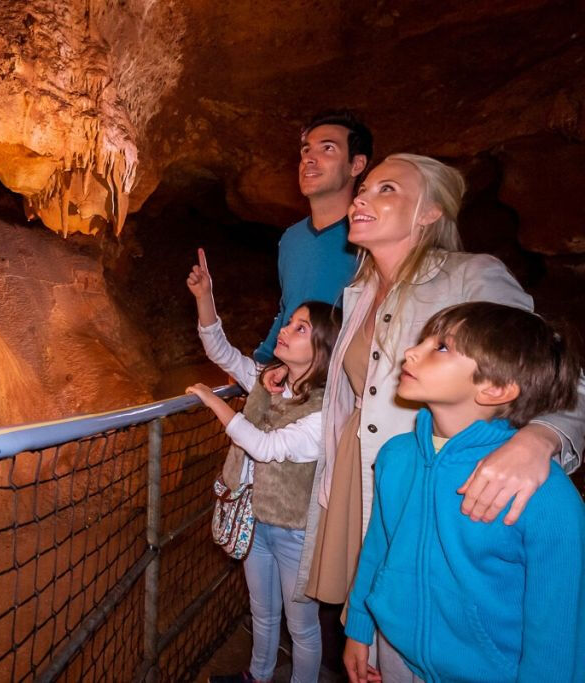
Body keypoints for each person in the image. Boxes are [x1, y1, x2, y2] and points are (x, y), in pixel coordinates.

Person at [292, 154, 584, 624]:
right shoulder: (359, 291)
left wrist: (541, 438)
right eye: (363, 188)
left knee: (416, 624)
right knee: (366, 625)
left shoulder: (471, 276)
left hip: (434, 484)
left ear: (430, 213)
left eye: (387, 189)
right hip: (361, 471)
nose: (362, 196)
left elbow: (552, 364)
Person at [342, 302, 585, 683]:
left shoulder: (547, 498)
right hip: (395, 654)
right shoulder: (396, 457)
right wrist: (358, 625)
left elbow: (557, 629)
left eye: (442, 347)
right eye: (424, 340)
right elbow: (379, 547)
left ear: (496, 388)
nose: (412, 351)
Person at [186, 249, 342, 683]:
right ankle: (258, 676)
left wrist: (213, 400)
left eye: (300, 328)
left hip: (295, 530)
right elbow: (220, 350)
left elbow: (266, 447)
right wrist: (205, 297)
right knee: (262, 611)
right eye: (290, 322)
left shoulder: (324, 411)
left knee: (303, 627)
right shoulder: (267, 378)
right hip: (255, 520)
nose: (285, 331)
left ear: (323, 348)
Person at [253, 110, 372, 364]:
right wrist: (262, 360)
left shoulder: (372, 237)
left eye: (327, 149)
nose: (309, 159)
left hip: (346, 383)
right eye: (306, 151)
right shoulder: (291, 239)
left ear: (356, 164)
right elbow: (288, 307)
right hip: (292, 377)